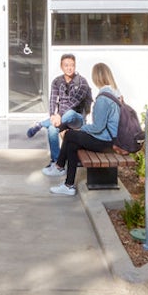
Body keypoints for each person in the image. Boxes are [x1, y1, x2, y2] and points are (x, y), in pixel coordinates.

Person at [50, 63, 122, 196]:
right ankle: (68, 185)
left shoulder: (103, 98)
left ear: (96, 77)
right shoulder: (115, 93)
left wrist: (81, 128)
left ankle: (59, 167)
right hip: (111, 139)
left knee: (70, 135)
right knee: (72, 143)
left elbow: (98, 127)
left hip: (106, 142)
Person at [27, 53, 92, 176]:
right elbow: (52, 100)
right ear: (61, 66)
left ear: (75, 66)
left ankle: (41, 124)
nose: (69, 68)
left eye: (72, 65)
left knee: (70, 113)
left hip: (77, 119)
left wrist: (59, 115)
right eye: (66, 65)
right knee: (52, 129)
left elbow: (74, 102)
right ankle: (56, 163)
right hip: (61, 119)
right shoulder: (57, 81)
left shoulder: (82, 82)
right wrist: (52, 114)